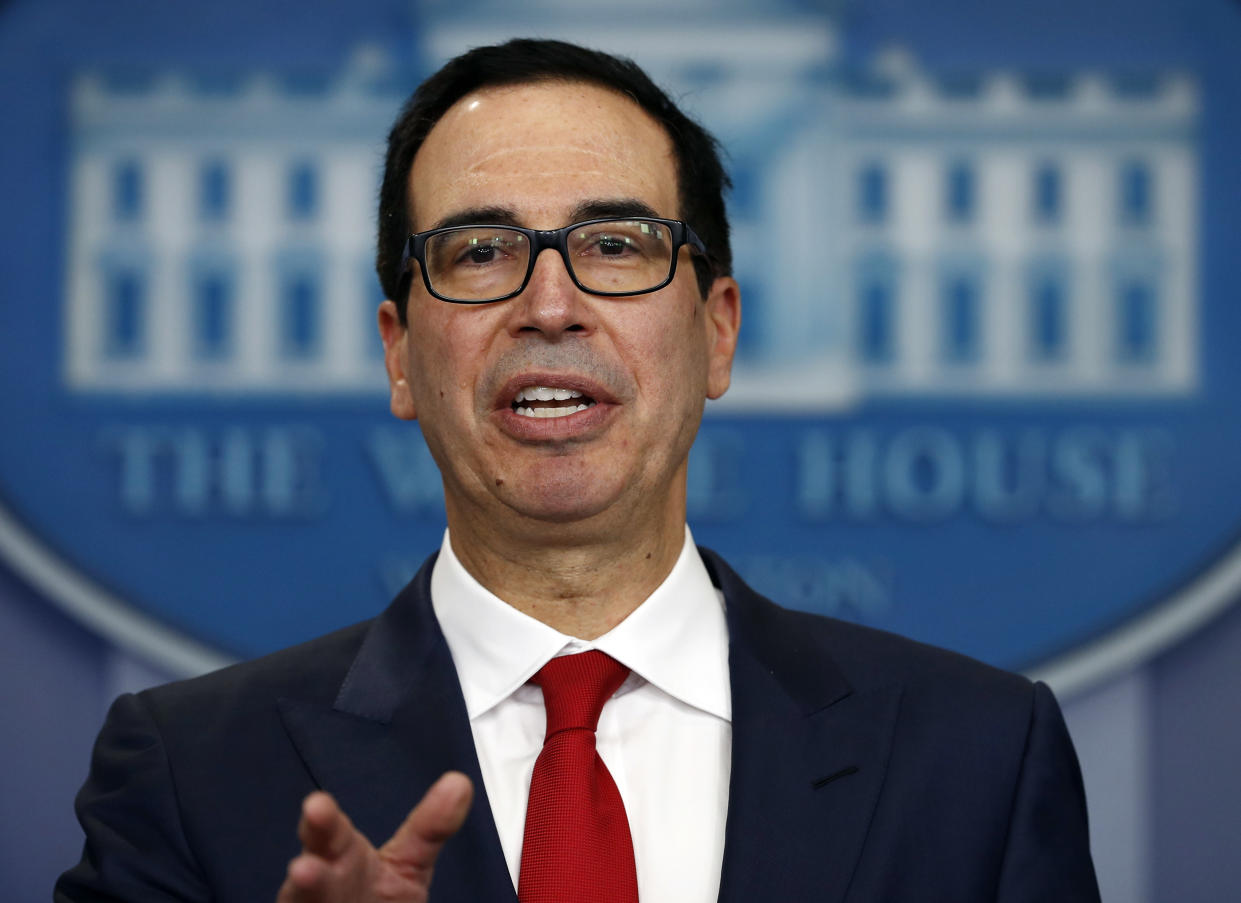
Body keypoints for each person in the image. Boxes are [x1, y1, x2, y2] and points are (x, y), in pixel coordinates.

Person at [57, 39, 1100, 903]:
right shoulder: (191, 772)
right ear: (398, 354)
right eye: (476, 253)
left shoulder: (977, 757)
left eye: (613, 244)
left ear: (717, 332)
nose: (549, 305)